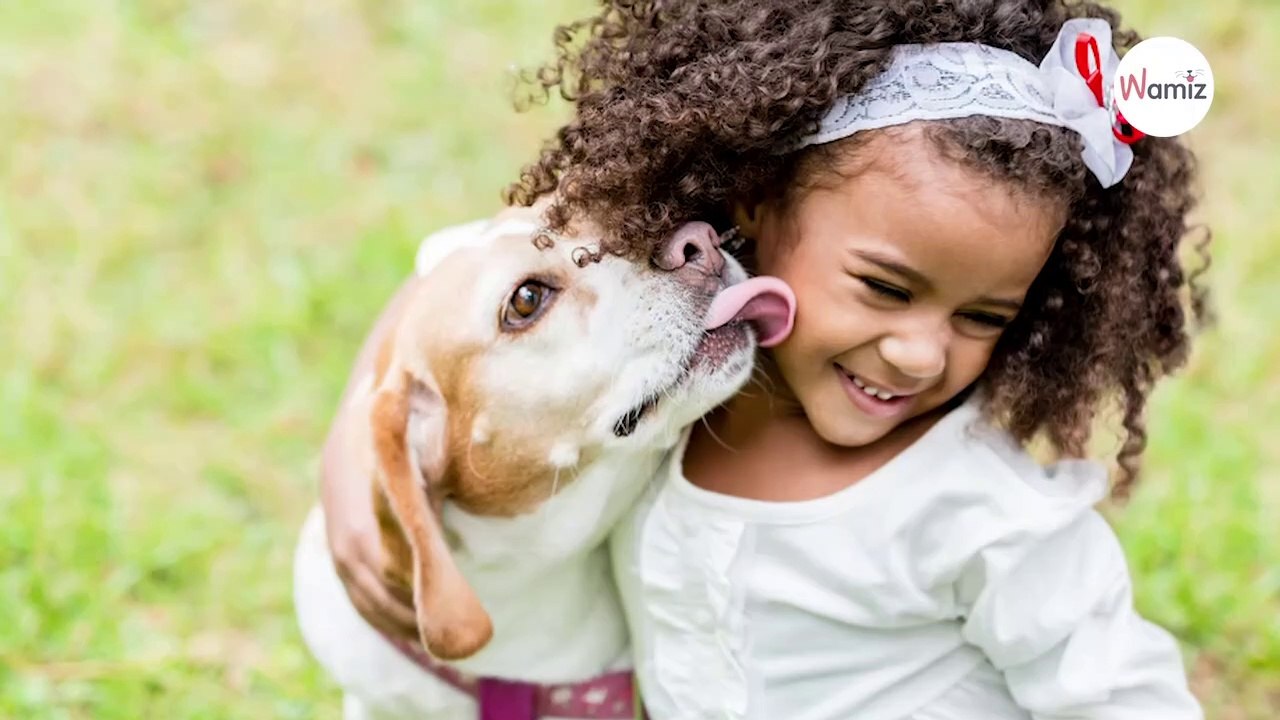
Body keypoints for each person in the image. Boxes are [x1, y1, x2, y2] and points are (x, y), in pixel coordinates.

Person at [323, 0, 1210, 717]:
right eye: (886, 288)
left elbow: (1126, 696)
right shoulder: (668, 390)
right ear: (751, 196)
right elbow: (477, 264)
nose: (917, 351)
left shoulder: (981, 513)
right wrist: (363, 445)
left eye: (983, 316)